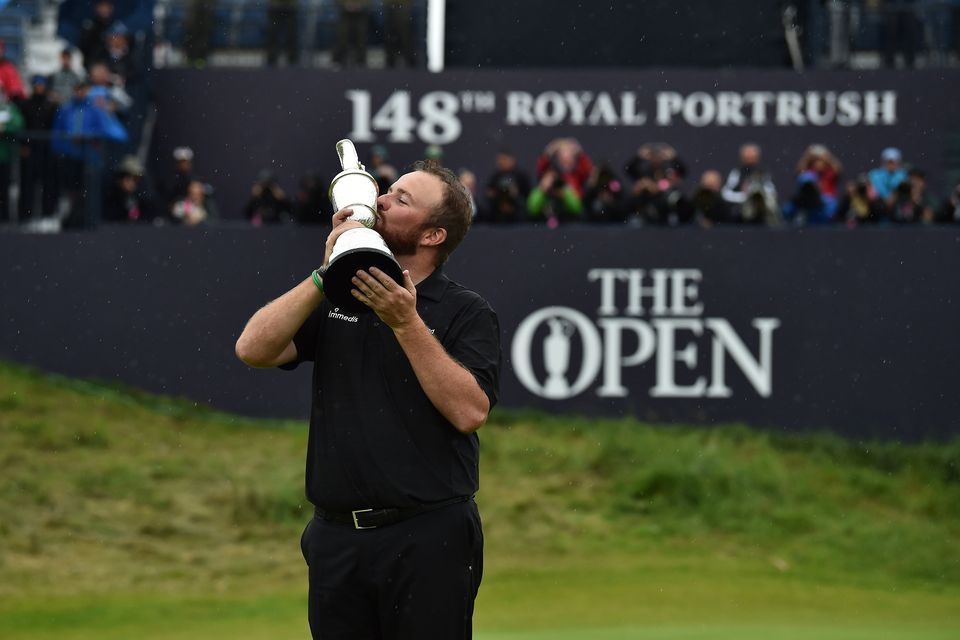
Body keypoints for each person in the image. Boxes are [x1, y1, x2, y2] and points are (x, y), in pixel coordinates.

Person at [235, 160, 500, 639]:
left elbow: (469, 412)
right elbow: (253, 349)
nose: (380, 200)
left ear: (432, 236)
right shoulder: (338, 292)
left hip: (430, 537)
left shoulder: (466, 311)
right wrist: (326, 270)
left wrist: (406, 322)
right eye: (389, 191)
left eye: (402, 200)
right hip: (336, 539)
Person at [18, 75, 59, 222]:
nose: (39, 87)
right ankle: (25, 216)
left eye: (42, 85)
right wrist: (23, 145)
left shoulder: (51, 105)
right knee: (27, 183)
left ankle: (46, 216)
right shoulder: (26, 105)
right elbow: (22, 126)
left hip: (47, 150)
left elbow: (55, 126)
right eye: (37, 85)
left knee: (48, 184)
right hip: (30, 150)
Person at [721, 143, 779, 224]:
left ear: (757, 158)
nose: (750, 160)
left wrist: (758, 196)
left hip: (760, 213)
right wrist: (744, 197)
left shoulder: (764, 173)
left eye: (752, 157)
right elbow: (725, 193)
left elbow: (771, 191)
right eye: (747, 158)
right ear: (742, 158)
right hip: (740, 212)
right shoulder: (736, 173)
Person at [482, 149, 530, 224]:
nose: (501, 162)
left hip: (518, 215)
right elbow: (488, 194)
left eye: (504, 159)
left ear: (512, 160)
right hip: (498, 216)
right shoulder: (495, 176)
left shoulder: (521, 176)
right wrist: (497, 196)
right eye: (499, 160)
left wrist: (515, 196)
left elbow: (528, 196)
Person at [0, 91, 25, 223]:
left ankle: (5, 217)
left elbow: (18, 123)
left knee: (4, 188)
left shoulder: (8, 107)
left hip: (5, 155)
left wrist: (5, 128)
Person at [333, 0, 371, 68]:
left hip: (361, 13)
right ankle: (338, 60)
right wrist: (345, 4)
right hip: (344, 12)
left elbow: (368, 2)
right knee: (342, 35)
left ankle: (361, 61)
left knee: (361, 36)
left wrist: (360, 4)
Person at [266, 0, 300, 67]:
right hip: (275, 7)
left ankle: (292, 61)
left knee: (291, 35)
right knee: (273, 34)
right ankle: (271, 60)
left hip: (290, 8)